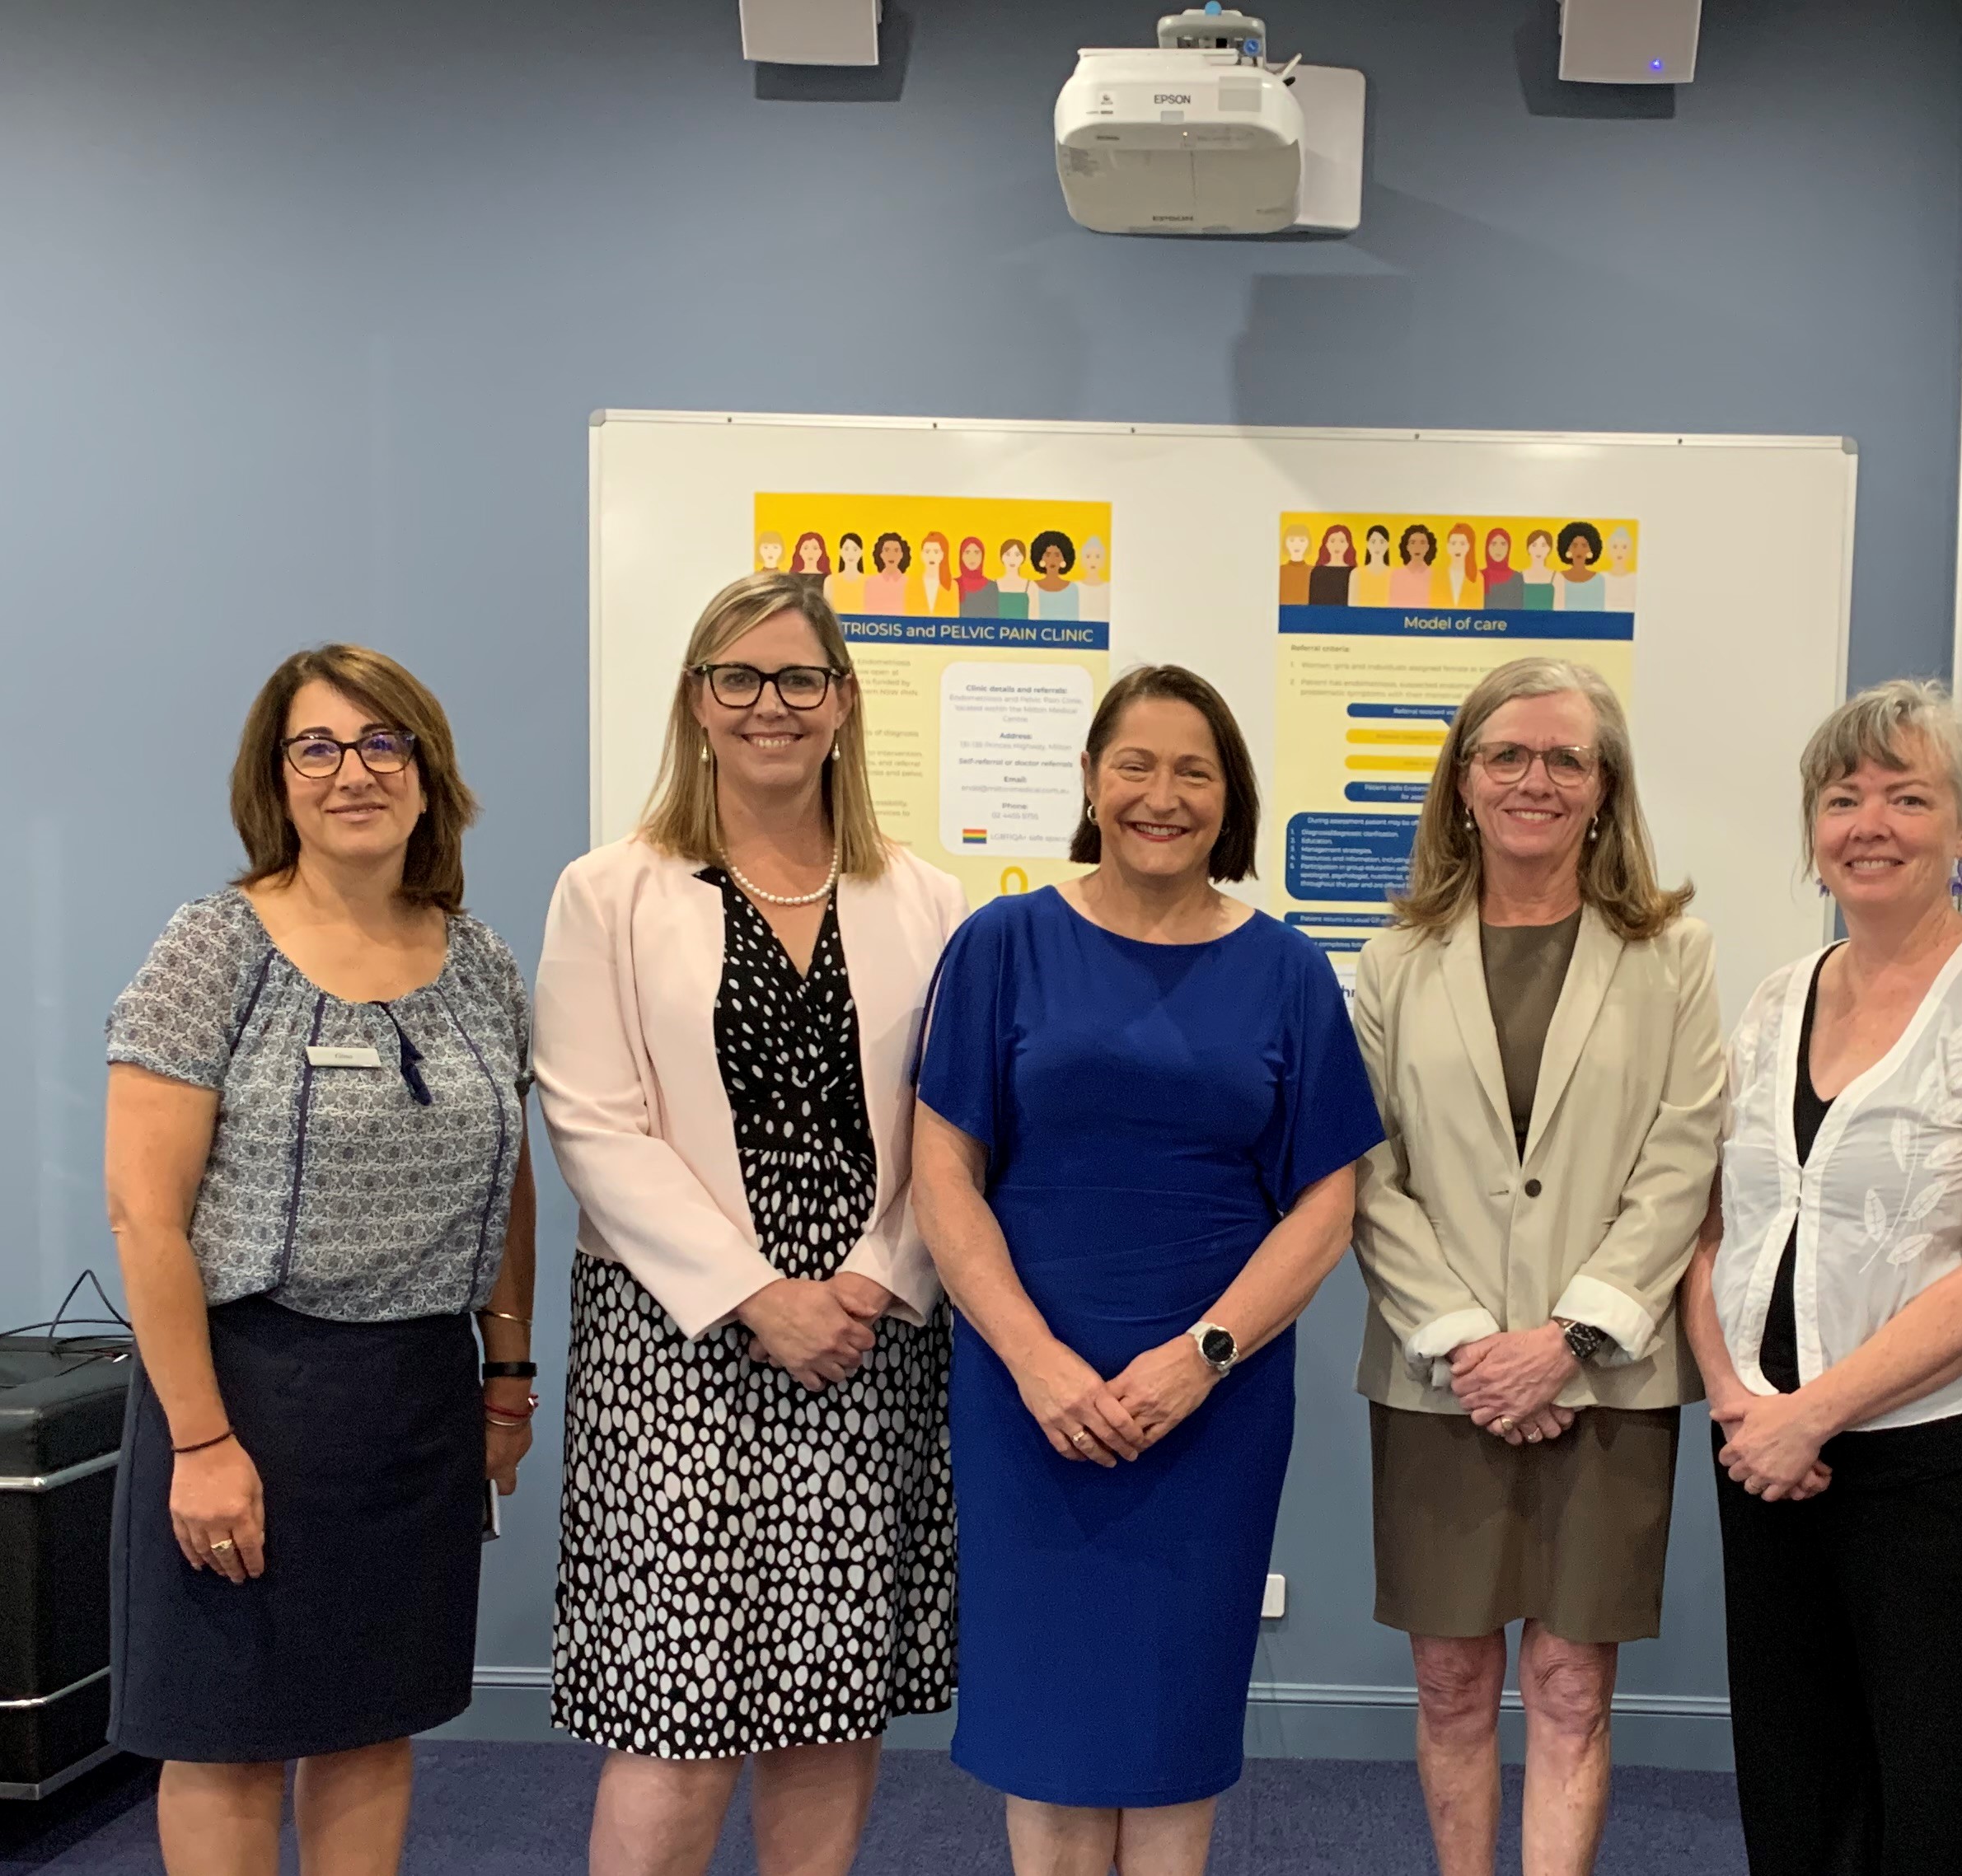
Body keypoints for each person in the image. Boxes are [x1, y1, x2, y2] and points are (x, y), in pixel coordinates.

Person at [911, 665, 1387, 1876]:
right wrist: (1037, 1362)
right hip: (1026, 1395)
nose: (1160, 795)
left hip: (1210, 1407)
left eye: (1193, 771)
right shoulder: (999, 944)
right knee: (1048, 1730)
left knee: (1174, 1726)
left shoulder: (1285, 970)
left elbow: (1326, 1202)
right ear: (1088, 779)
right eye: (1134, 764)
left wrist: (1201, 1358)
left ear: (1230, 800)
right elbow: (943, 1179)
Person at [534, 572, 967, 1876]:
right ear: (696, 703)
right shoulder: (608, 891)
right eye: (738, 678)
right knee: (678, 1713)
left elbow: (950, 1134)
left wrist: (877, 1282)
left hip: (865, 1336)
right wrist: (752, 1294)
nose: (768, 705)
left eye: (798, 679)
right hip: (675, 1345)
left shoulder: (929, 901)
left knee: (830, 1704)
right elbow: (592, 1121)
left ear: (842, 704)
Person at [105, 645, 537, 1876]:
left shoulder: (483, 962)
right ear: (276, 779)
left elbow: (506, 1181)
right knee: (231, 1736)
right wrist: (198, 1442)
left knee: (369, 1720)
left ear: (425, 770)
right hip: (245, 1387)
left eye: (381, 742)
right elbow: (145, 1214)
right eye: (318, 746)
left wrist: (506, 1372)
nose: (353, 770)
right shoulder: (214, 946)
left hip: (413, 1396)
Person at [1678, 679, 1962, 1876]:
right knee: (1798, 1797)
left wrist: (1813, 1411)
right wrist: (1739, 1402)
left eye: (1906, 796)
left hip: (1956, 1465)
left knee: (1951, 1807)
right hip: (1769, 1466)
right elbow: (1711, 1230)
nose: (1868, 822)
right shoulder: (1771, 1002)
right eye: (1842, 795)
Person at [1349, 657, 1724, 1876]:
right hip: (1437, 1379)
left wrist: (1562, 1341)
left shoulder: (1670, 951)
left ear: (1603, 788)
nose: (1534, 779)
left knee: (1568, 1684)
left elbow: (1681, 1159)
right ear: (1461, 782)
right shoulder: (1393, 958)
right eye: (1505, 754)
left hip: (1601, 1379)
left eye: (1566, 758)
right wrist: (1469, 1343)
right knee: (1453, 1679)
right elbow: (1366, 1173)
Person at [1309, 524, 1358, 608]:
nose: (1337, 546)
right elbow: (1313, 604)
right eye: (1332, 541)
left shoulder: (1354, 572)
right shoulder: (1317, 572)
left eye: (1342, 541)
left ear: (1348, 545)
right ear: (1326, 544)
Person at [1392, 525, 1435, 608]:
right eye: (1413, 542)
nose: (1417, 547)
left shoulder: (1434, 576)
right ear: (1407, 547)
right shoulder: (1397, 575)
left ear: (1428, 547)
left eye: (1422, 543)